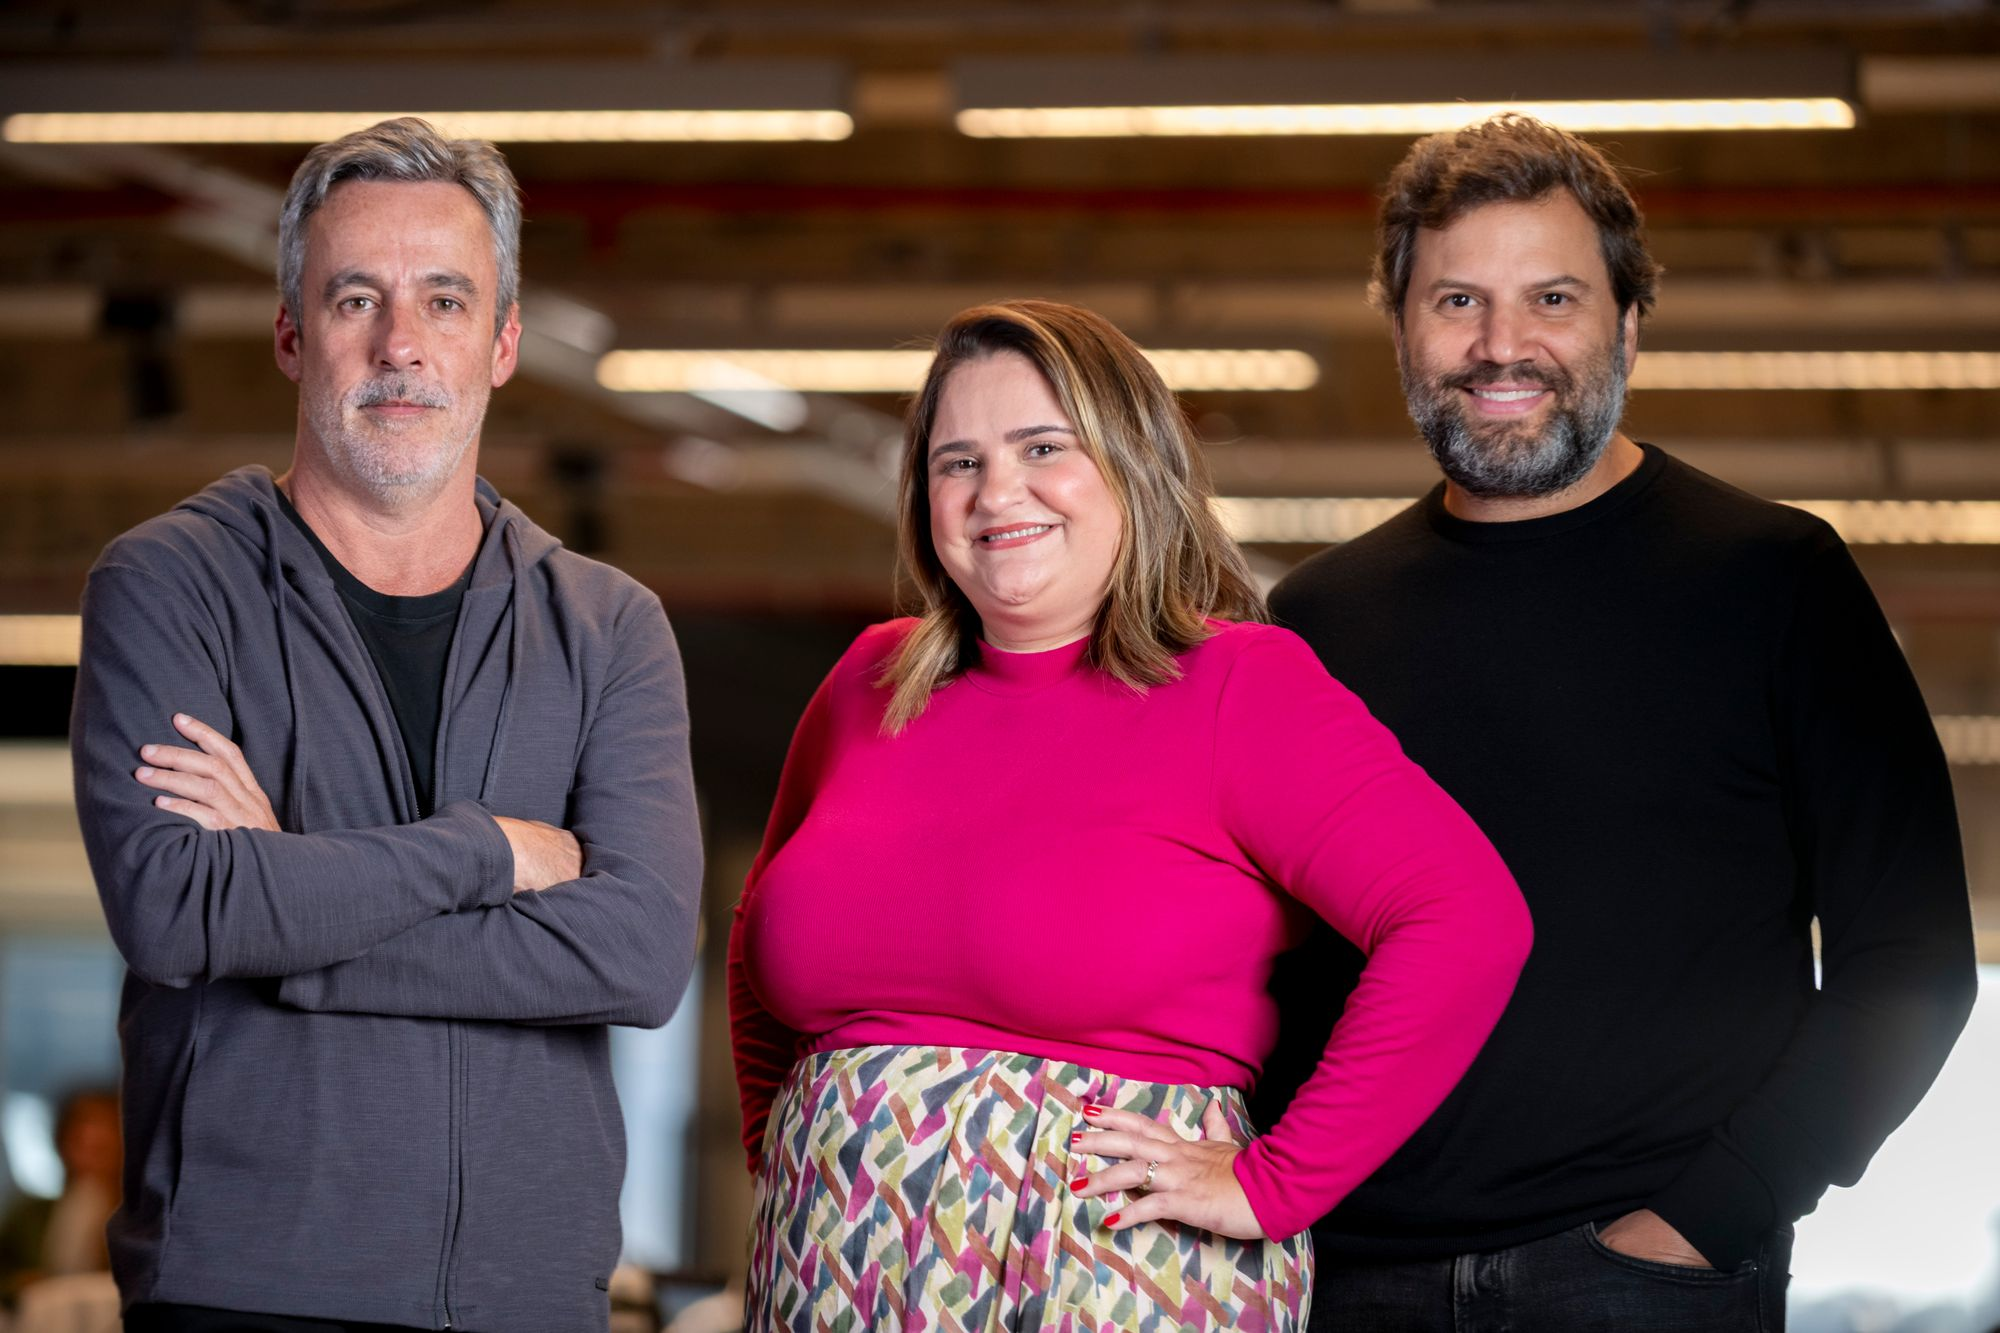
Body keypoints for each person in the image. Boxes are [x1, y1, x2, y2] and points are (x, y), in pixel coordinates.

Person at [1266, 113, 1978, 1332]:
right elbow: (1278, 969)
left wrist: (1708, 1219)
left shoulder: (1774, 581)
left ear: (1628, 323)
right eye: (1455, 301)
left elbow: (1908, 962)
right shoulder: (1315, 618)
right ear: (1399, 330)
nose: (1501, 345)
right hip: (1349, 1279)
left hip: (1639, 1279)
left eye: (1550, 298)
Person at [728, 299, 1533, 1330]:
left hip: (1110, 1274)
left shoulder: (1239, 685)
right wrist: (788, 1149)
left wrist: (1275, 1183)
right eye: (957, 461)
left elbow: (1464, 918)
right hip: (831, 1272)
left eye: (1042, 447)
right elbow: (757, 940)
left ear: (1131, 463)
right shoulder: (868, 681)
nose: (995, 492)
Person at [69, 117, 702, 1332]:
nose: (399, 344)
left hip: (527, 1302)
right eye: (355, 298)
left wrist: (285, 907)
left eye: (444, 301)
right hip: (242, 1292)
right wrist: (487, 851)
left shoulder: (606, 627)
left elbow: (635, 952)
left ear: (502, 342)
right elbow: (179, 907)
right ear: (291, 335)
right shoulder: (171, 586)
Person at [0, 1089, 121, 1303]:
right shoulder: (30, 1216)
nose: (90, 1136)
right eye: (79, 1133)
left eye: (103, 1136)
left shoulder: (139, 1215)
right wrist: (20, 1284)